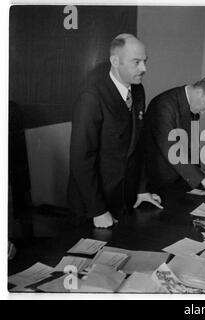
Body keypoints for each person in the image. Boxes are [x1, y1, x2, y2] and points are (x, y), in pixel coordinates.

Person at [68, 34, 162, 229]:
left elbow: (138, 145)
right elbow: (81, 160)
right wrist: (98, 210)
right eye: (136, 62)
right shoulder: (91, 98)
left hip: (126, 199)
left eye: (145, 61)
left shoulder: (138, 91)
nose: (144, 69)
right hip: (95, 205)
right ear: (115, 61)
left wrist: (142, 189)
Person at [144, 74, 205, 198]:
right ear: (199, 92)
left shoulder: (193, 107)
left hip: (180, 179)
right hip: (157, 182)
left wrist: (198, 178)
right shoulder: (164, 104)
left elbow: (192, 146)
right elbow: (171, 149)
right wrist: (201, 179)